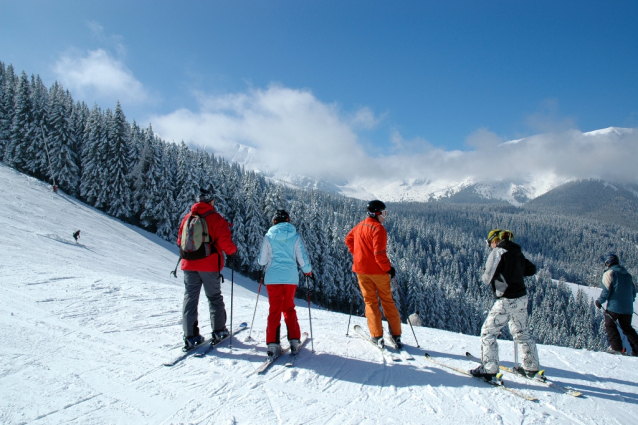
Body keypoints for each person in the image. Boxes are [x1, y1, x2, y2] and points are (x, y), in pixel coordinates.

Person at [471, 229, 540, 381]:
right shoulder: (516, 251)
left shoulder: (498, 252)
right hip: (522, 297)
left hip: (506, 299)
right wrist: (515, 271)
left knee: (488, 332)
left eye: (489, 243)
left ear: (495, 240)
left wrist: (498, 276)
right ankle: (531, 367)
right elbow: (531, 269)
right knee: (521, 332)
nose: (490, 246)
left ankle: (489, 369)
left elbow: (486, 278)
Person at [176, 189, 237, 352]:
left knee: (190, 299)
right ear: (210, 202)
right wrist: (232, 252)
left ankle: (190, 336)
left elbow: (179, 240)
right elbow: (225, 242)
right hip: (209, 265)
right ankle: (219, 331)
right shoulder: (215, 218)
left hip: (189, 264)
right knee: (214, 297)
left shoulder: (187, 218)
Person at [345, 200, 402, 348]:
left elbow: (348, 239)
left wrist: (358, 255)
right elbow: (379, 255)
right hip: (378, 272)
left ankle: (377, 335)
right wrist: (389, 268)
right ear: (376, 213)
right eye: (383, 213)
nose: (384, 216)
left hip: (361, 271)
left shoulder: (359, 226)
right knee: (387, 301)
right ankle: (396, 335)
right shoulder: (378, 229)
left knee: (370, 302)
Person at [258, 210, 312, 359]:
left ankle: (272, 344)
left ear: (274, 221)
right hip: (290, 278)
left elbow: (261, 261)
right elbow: (302, 258)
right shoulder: (295, 237)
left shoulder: (268, 237)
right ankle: (294, 341)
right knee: (289, 308)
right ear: (288, 221)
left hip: (272, 278)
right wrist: (308, 271)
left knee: (274, 309)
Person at [595, 254, 638, 356]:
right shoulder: (627, 274)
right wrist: (628, 302)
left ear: (608, 263)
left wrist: (599, 301)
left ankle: (616, 348)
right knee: (627, 328)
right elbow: (633, 292)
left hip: (614, 307)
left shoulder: (609, 273)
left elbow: (606, 291)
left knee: (610, 325)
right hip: (628, 308)